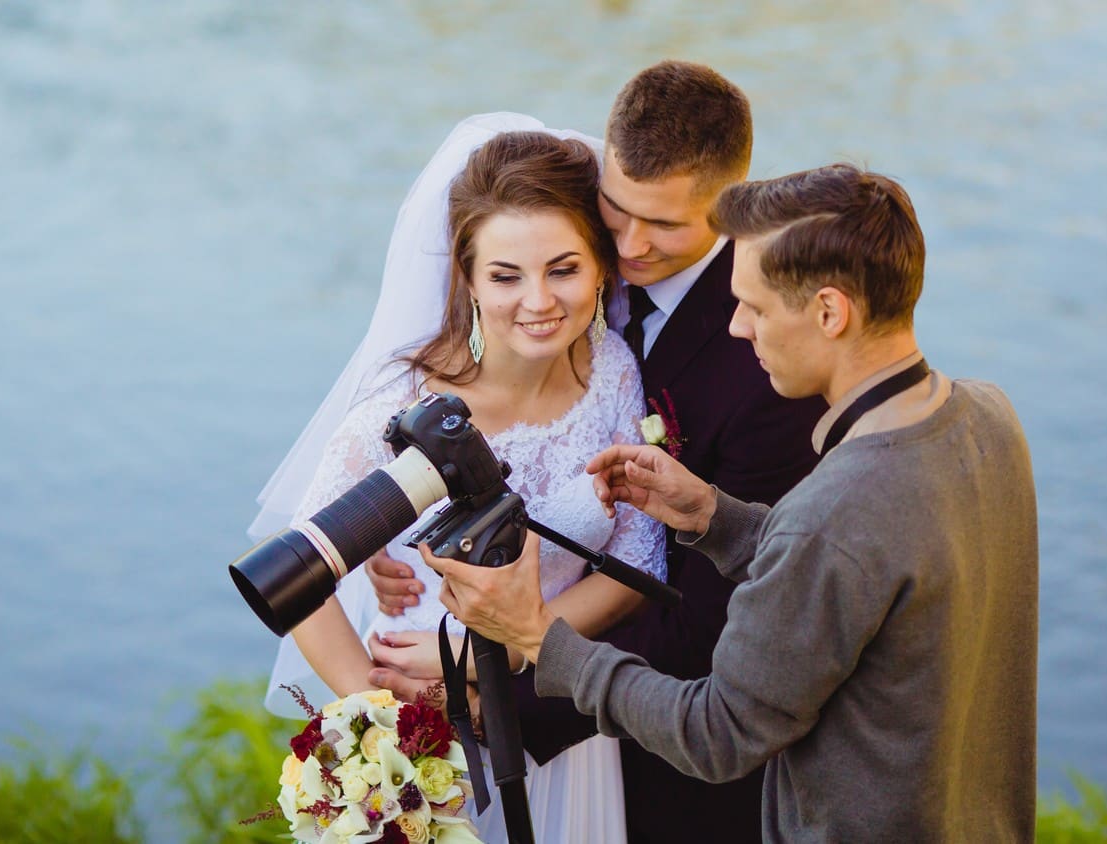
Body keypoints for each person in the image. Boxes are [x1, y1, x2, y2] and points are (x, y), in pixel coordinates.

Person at [423, 164, 1041, 842]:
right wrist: (714, 516)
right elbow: (860, 567)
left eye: (755, 306)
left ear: (830, 312)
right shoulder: (988, 415)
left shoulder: (832, 513)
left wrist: (539, 637)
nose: (739, 328)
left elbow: (716, 735)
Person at [364, 61, 827, 843]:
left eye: (667, 226)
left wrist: (496, 678)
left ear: (732, 207)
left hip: (656, 754)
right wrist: (389, 535)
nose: (632, 245)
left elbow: (713, 624)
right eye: (616, 210)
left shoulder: (768, 370)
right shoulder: (569, 265)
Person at [252, 124, 666, 843]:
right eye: (505, 276)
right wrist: (379, 710)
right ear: (468, 279)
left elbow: (635, 566)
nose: (537, 301)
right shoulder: (403, 404)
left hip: (560, 724)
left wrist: (495, 653)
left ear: (602, 268)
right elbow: (297, 572)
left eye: (563, 269)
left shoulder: (616, 377)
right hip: (425, 733)